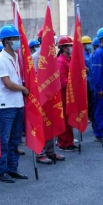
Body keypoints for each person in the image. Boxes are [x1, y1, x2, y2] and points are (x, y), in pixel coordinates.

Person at [0, 25, 29, 183]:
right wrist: (23, 88)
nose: (17, 42)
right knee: (4, 140)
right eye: (14, 39)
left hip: (18, 103)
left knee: (15, 140)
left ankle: (12, 168)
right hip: (5, 105)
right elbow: (7, 83)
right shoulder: (1, 59)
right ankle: (1, 171)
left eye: (18, 39)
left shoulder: (15, 56)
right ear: (6, 41)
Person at [33, 30, 65, 165]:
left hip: (52, 94)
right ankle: (40, 153)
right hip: (41, 95)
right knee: (40, 124)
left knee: (51, 122)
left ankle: (50, 151)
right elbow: (34, 77)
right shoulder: (36, 56)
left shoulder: (52, 56)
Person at [56, 36, 77, 151]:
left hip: (69, 93)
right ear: (63, 48)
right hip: (63, 93)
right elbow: (62, 79)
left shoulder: (69, 59)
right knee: (64, 118)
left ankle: (70, 141)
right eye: (69, 45)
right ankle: (63, 143)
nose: (71, 47)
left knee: (69, 118)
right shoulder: (60, 61)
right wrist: (73, 86)